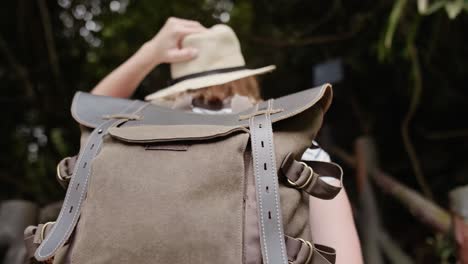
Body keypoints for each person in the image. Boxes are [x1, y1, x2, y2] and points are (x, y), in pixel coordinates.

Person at [91, 17, 363, 264]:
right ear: (249, 81)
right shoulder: (293, 143)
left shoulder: (138, 141)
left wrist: (149, 53)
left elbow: (92, 119)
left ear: (175, 90)